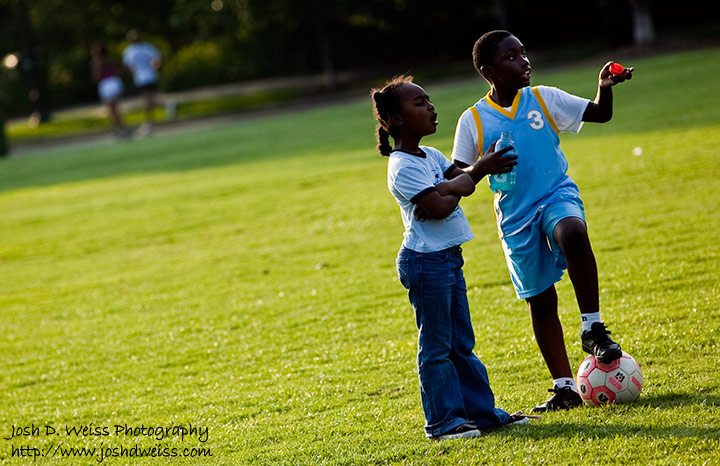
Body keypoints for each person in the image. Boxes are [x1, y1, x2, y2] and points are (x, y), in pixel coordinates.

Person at [449, 30, 633, 413]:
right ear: (489, 71)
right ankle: (564, 388)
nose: (524, 61)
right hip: (515, 218)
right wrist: (483, 166)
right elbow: (456, 177)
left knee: (573, 230)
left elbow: (600, 113)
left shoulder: (544, 98)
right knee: (541, 300)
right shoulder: (473, 120)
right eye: (512, 57)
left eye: (523, 53)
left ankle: (592, 327)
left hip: (555, 194)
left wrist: (604, 88)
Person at [371, 75, 536, 440]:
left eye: (428, 100)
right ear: (396, 120)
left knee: (461, 344)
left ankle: (482, 415)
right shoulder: (402, 166)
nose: (431, 107)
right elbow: (443, 206)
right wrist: (474, 173)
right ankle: (442, 423)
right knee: (437, 347)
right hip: (424, 262)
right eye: (419, 103)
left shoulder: (431, 155)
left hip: (447, 257)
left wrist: (451, 184)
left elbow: (459, 186)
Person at [122, 29, 162, 136]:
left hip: (143, 77)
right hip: (148, 76)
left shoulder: (131, 51)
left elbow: (129, 66)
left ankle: (149, 123)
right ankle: (150, 122)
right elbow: (157, 60)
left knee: (147, 101)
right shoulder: (146, 47)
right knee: (150, 100)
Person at [90, 43, 129, 138]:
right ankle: (119, 128)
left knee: (113, 109)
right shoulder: (108, 60)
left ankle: (121, 128)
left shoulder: (100, 62)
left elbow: (96, 76)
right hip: (110, 83)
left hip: (109, 83)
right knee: (113, 109)